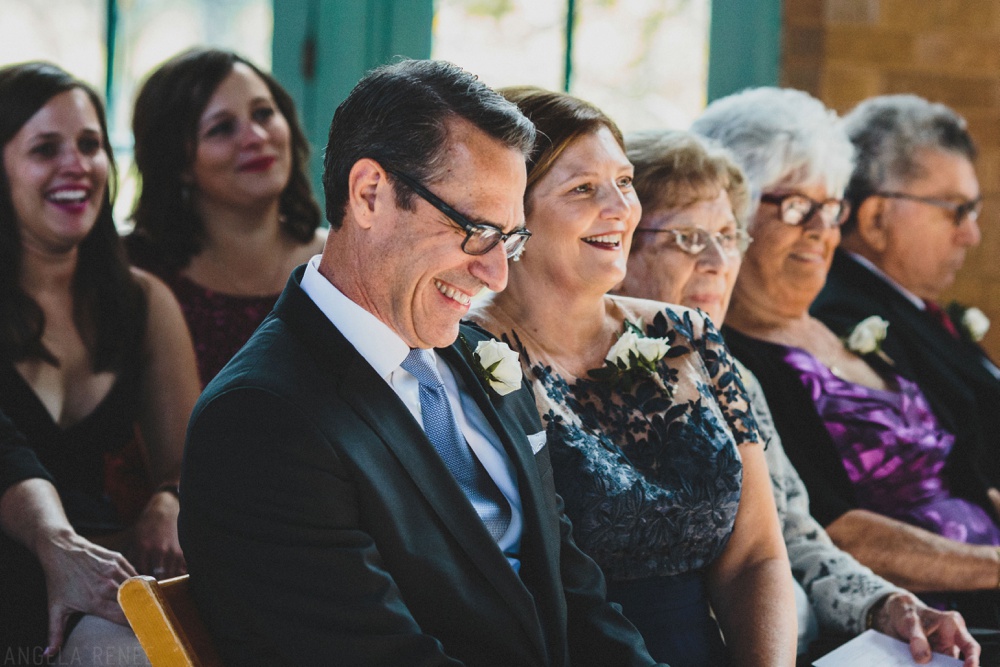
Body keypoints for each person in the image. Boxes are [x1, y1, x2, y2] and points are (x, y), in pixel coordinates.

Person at [179, 59, 665, 667]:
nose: (495, 273)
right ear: (370, 194)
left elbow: (574, 593)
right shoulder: (261, 420)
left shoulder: (479, 354)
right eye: (476, 230)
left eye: (511, 239)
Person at [616, 128, 980, 666]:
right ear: (616, 241)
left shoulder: (731, 374)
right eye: (690, 238)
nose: (719, 261)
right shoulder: (572, 373)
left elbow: (798, 539)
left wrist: (888, 605)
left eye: (728, 235)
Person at [468, 86, 796, 666]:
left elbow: (756, 557)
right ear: (512, 212)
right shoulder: (466, 356)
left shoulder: (689, 334)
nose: (620, 209)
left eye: (624, 182)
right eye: (583, 189)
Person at [690, 86, 1000, 629]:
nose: (821, 231)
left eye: (831, 207)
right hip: (915, 618)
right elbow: (825, 528)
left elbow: (962, 461)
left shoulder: (854, 327)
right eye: (795, 206)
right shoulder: (737, 359)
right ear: (730, 216)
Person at [0, 62, 199, 658]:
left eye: (90, 145)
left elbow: (188, 464)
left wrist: (169, 500)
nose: (77, 166)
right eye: (45, 148)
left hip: (102, 589)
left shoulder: (141, 300)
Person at [811, 95, 1000, 492]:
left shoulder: (911, 306)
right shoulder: (843, 316)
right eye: (955, 210)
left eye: (974, 211)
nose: (971, 235)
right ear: (875, 218)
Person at [126, 47, 325, 386]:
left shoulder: (339, 262)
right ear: (178, 163)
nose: (256, 138)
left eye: (263, 114)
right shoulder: (134, 271)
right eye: (221, 128)